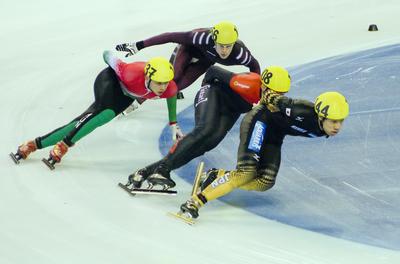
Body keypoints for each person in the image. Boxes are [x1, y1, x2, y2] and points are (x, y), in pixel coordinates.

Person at [179, 90, 350, 219]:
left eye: (341, 121)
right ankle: (195, 202)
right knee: (246, 172)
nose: (338, 127)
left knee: (265, 182)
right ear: (320, 117)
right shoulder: (300, 110)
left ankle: (216, 176)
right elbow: (270, 95)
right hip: (259, 122)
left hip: (274, 135)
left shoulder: (325, 128)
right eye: (334, 121)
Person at [123, 65, 291, 189]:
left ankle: (145, 172)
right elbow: (212, 71)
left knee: (207, 144)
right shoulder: (246, 83)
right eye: (272, 91)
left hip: (231, 108)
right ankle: (163, 169)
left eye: (280, 93)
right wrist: (204, 88)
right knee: (204, 130)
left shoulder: (275, 103)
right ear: (263, 85)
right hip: (213, 93)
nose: (275, 96)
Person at [10, 51, 177, 169]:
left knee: (80, 122)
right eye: (159, 83)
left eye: (166, 82)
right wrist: (114, 54)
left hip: (126, 95)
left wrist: (173, 124)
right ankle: (64, 145)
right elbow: (107, 54)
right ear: (148, 77)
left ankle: (34, 144)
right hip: (110, 81)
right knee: (102, 115)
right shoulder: (130, 72)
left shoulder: (169, 88)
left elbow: (172, 98)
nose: (163, 87)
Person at [115, 21, 261, 141]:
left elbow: (254, 66)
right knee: (172, 78)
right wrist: (139, 45)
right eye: (220, 45)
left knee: (176, 87)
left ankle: (140, 99)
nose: (224, 51)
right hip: (189, 49)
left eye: (228, 46)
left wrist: (256, 95)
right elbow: (170, 36)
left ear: (234, 44)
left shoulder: (240, 53)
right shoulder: (201, 37)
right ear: (213, 40)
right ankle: (136, 100)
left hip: (205, 60)